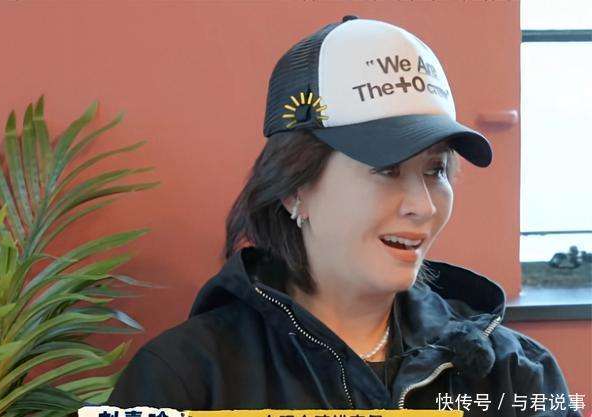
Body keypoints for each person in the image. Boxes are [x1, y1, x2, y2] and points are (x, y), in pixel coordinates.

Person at [108, 16, 582, 416]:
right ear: (294, 188)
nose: (423, 205)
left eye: (436, 170)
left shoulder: (513, 372)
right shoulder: (185, 380)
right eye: (387, 169)